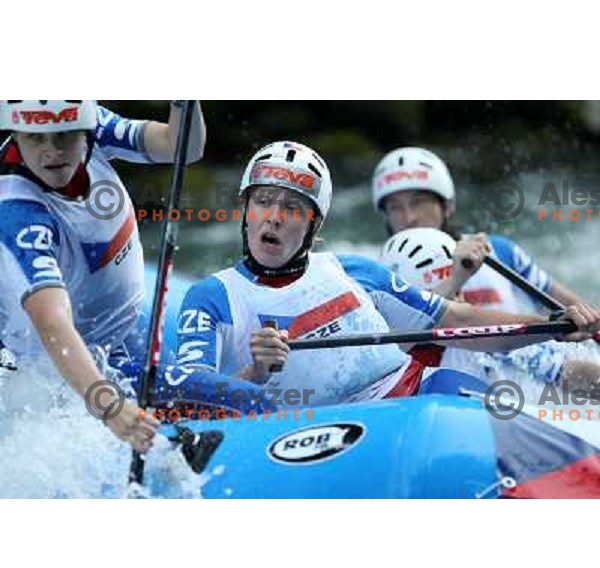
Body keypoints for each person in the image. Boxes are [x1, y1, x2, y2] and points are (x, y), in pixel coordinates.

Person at [174, 141, 600, 409]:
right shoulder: (211, 297)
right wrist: (255, 374)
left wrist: (552, 326)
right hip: (318, 429)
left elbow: (460, 322)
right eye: (264, 202)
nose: (275, 218)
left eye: (293, 209)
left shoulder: (354, 271)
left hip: (423, 397)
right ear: (245, 212)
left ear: (312, 226)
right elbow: (187, 392)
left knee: (478, 376)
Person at [0, 100, 206, 452]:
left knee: (220, 400)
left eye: (64, 135)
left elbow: (182, 146)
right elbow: (51, 320)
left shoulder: (95, 127)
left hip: (126, 331)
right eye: (36, 138)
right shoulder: (17, 212)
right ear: (16, 134)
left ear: (84, 130)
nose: (52, 151)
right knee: (228, 404)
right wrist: (107, 405)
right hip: (59, 374)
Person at [381, 227, 600, 390]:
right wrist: (454, 282)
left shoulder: (487, 341)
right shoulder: (383, 356)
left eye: (455, 294)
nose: (455, 305)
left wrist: (557, 325)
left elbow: (568, 371)